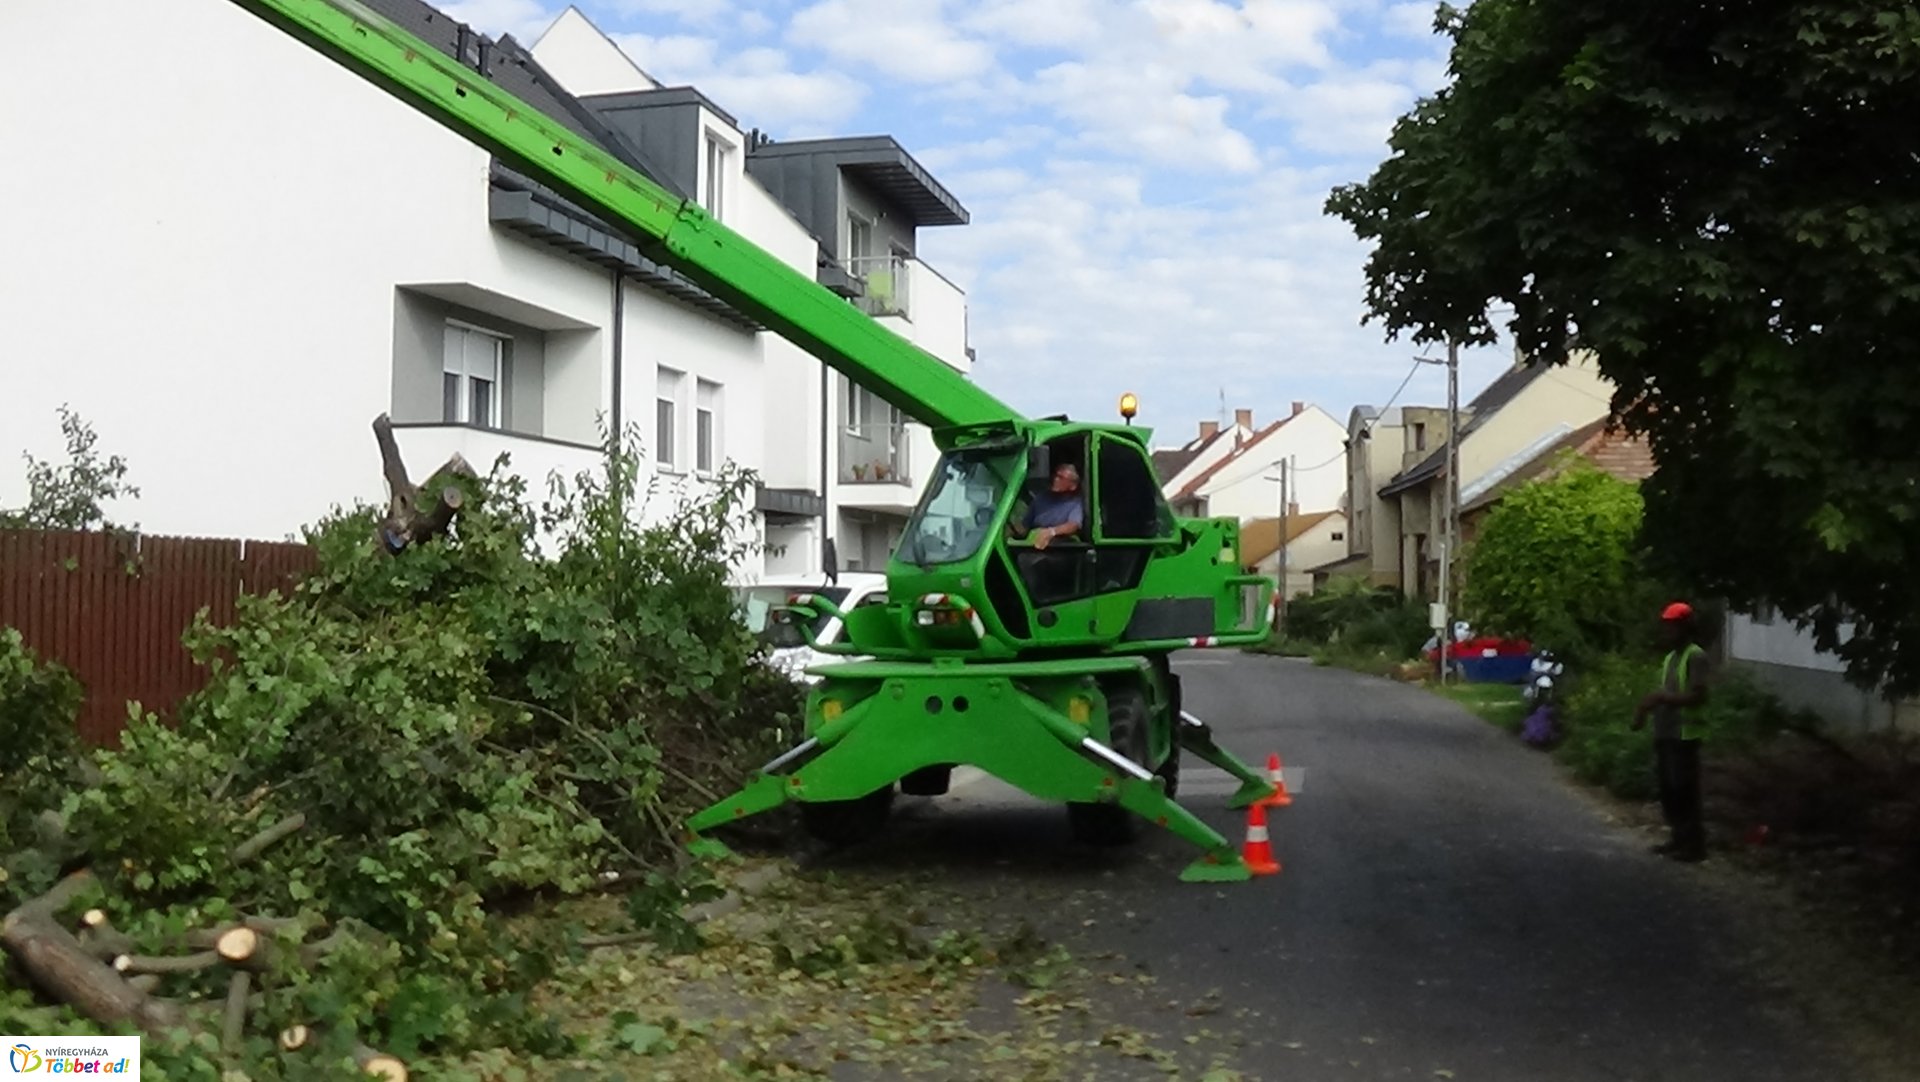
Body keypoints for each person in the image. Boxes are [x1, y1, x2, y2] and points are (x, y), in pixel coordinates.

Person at [1632, 601, 1713, 862]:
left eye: (1672, 627)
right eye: (1665, 627)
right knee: (1668, 790)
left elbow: (1698, 696)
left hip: (1685, 734)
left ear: (1685, 628)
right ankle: (1678, 838)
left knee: (1684, 789)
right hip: (1666, 732)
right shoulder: (1670, 658)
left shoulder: (1695, 656)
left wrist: (1661, 699)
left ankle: (1694, 845)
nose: (1667, 632)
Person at [1011, 463, 1084, 551]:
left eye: (1061, 478)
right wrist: (1012, 528)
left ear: (1073, 486)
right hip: (1033, 547)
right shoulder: (1041, 499)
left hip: (1060, 549)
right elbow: (1025, 526)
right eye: (1055, 476)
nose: (1055, 479)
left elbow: (1073, 525)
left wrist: (1051, 532)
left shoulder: (1075, 503)